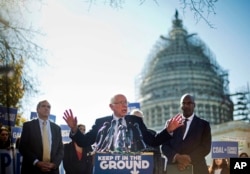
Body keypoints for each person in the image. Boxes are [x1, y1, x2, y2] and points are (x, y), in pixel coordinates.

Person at [63, 93, 183, 153]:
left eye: (126, 102)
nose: (124, 105)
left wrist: (168, 131)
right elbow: (85, 142)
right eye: (120, 102)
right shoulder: (101, 122)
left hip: (132, 167)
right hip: (107, 167)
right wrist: (74, 129)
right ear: (111, 107)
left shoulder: (136, 121)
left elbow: (152, 140)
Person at [161, 93, 211, 174]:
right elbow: (164, 146)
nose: (186, 106)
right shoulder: (170, 123)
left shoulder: (204, 125)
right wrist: (177, 157)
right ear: (180, 106)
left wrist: (188, 158)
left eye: (189, 103)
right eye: (183, 103)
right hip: (174, 168)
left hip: (197, 169)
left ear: (194, 105)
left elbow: (205, 147)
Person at [19, 100, 64, 174]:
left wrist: (54, 164)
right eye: (43, 106)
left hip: (52, 170)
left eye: (48, 107)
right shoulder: (28, 126)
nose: (46, 108)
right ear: (38, 109)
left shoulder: (57, 128)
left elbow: (60, 149)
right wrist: (36, 162)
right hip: (32, 169)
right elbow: (23, 147)